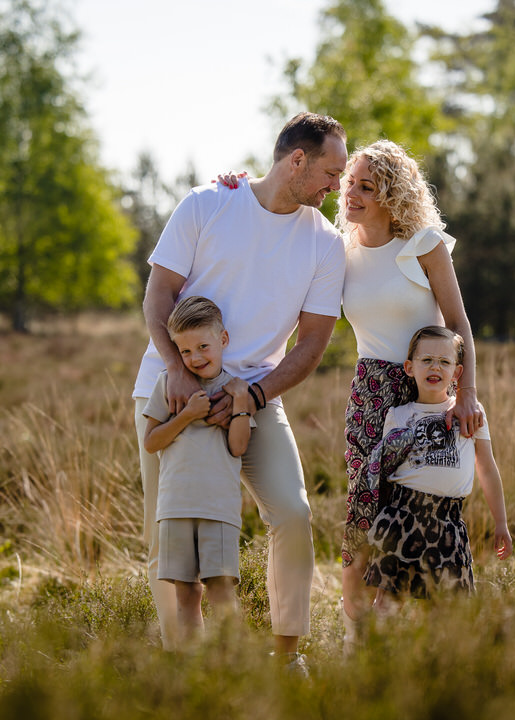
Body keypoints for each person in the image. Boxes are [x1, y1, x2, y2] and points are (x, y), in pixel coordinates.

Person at [218, 139, 484, 653]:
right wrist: (237, 188)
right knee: (365, 509)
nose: (352, 194)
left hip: (424, 390)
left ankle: (439, 632)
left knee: (423, 506)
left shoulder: (423, 245)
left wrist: (466, 392)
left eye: (366, 185)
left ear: (391, 192)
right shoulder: (338, 248)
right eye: (348, 184)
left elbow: (459, 325)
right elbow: (271, 216)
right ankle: (359, 633)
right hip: (369, 393)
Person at [132, 112, 348, 671]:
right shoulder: (207, 204)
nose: (336, 186)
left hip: (254, 398)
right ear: (296, 160)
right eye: (330, 171)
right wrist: (177, 371)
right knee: (168, 532)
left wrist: (253, 396)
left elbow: (311, 345)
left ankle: (285, 657)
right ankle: (190, 670)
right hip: (173, 392)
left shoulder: (325, 244)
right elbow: (159, 294)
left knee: (294, 513)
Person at [363, 326, 511, 609]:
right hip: (401, 517)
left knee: (447, 610)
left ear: (457, 373)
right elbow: (381, 474)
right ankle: (379, 652)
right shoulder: (398, 415)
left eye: (445, 362)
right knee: (387, 605)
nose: (435, 367)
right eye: (427, 360)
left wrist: (501, 522)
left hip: (448, 521)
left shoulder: (470, 413)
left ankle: (439, 655)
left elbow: (487, 467)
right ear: (409, 367)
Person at [142, 296, 255, 647]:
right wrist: (187, 415)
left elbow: (238, 446)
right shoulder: (168, 385)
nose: (195, 358)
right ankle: (193, 671)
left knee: (221, 590)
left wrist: (238, 403)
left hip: (218, 509)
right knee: (186, 595)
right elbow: (151, 442)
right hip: (175, 508)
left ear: (222, 340)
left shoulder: (237, 389)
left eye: (203, 346)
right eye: (185, 351)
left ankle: (232, 663)